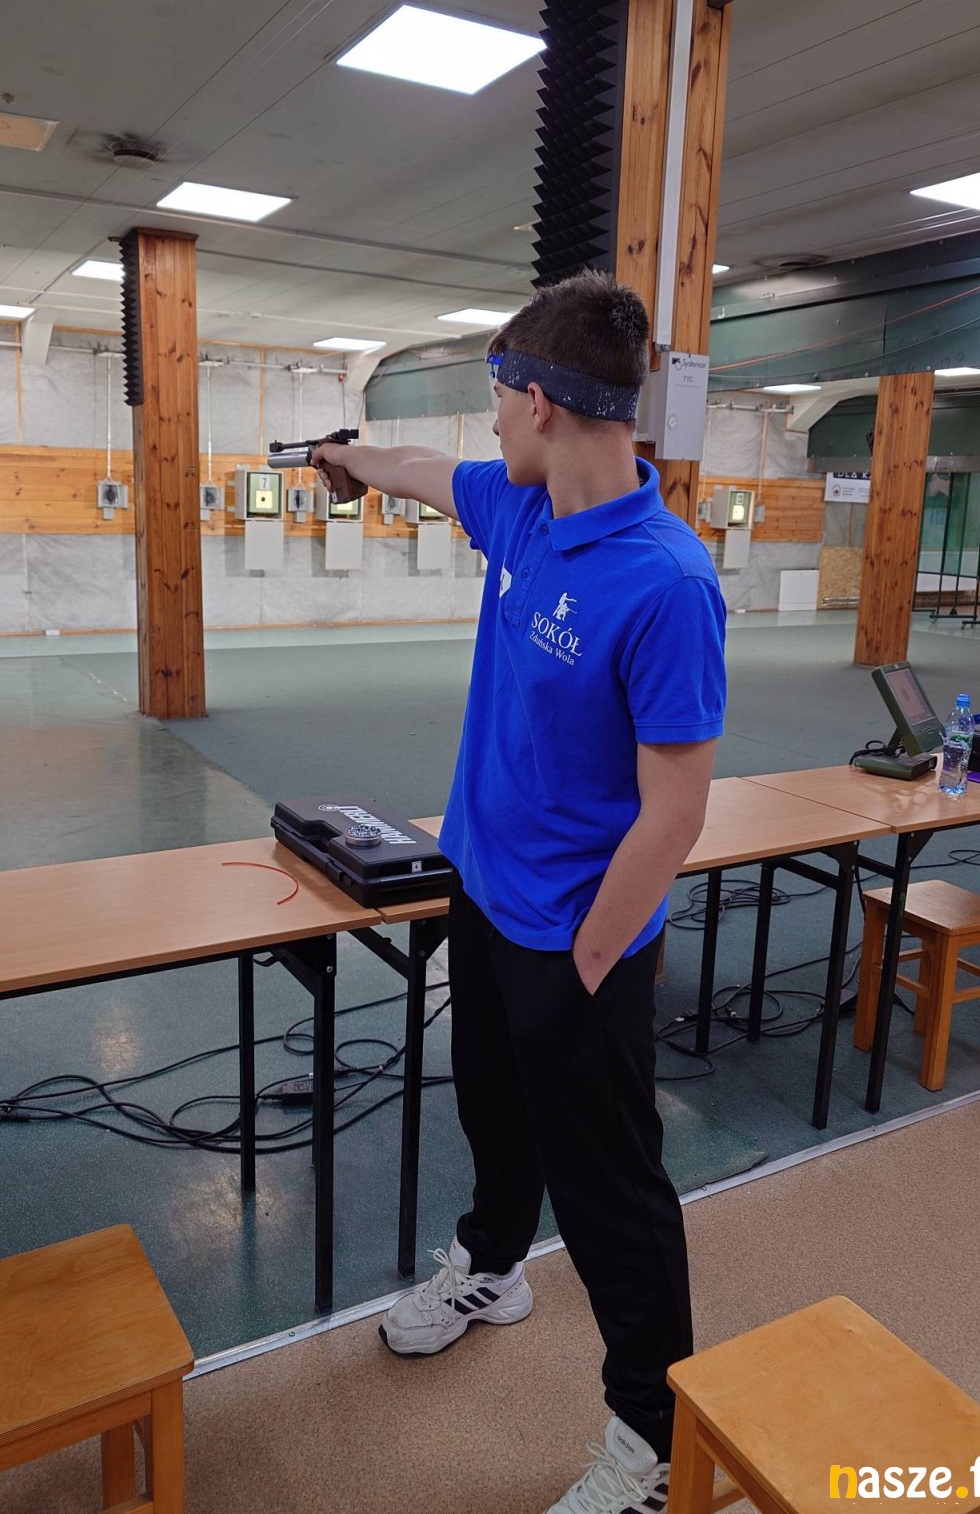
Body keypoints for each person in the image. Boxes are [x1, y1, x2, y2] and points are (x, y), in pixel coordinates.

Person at [312, 269, 726, 1513]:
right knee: (494, 1114)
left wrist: (587, 964)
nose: (488, 422)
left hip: (576, 945)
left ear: (539, 402)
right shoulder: (521, 505)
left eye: (496, 398)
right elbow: (419, 471)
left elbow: (675, 812)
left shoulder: (667, 581)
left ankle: (654, 1441)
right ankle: (493, 1265)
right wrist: (346, 459)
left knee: (613, 1201)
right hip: (485, 901)